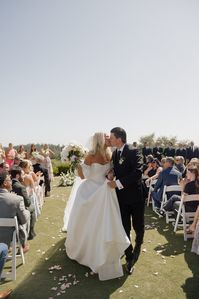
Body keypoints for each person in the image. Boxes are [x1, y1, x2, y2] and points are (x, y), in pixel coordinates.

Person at [65, 132, 130, 281]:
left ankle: (102, 250)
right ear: (100, 140)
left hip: (103, 191)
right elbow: (83, 177)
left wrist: (110, 173)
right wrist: (78, 164)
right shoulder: (92, 155)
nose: (109, 139)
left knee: (103, 222)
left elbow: (96, 174)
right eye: (106, 137)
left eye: (110, 137)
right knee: (90, 222)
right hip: (93, 192)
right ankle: (89, 251)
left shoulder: (108, 154)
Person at [108, 127, 144, 275]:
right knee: (124, 227)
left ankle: (138, 245)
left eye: (111, 137)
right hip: (121, 198)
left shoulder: (134, 150)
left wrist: (118, 183)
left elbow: (137, 172)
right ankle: (129, 256)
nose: (110, 140)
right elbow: (117, 169)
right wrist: (112, 173)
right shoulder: (115, 153)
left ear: (119, 138)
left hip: (135, 196)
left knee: (138, 225)